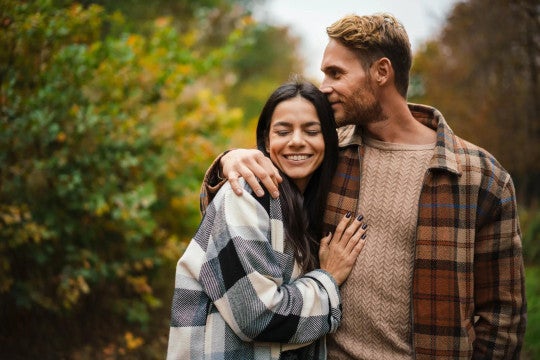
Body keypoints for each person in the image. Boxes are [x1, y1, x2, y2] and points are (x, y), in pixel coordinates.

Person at [200, 13, 527, 359]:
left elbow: (502, 318)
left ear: (381, 72)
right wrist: (228, 161)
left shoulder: (481, 177)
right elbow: (239, 217)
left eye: (335, 73)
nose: (323, 86)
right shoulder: (327, 153)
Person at [167, 78, 368, 360]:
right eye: (283, 131)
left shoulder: (308, 204)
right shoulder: (247, 194)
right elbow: (257, 316)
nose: (297, 141)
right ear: (267, 139)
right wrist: (328, 279)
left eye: (311, 131)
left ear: (328, 140)